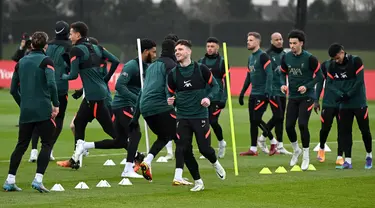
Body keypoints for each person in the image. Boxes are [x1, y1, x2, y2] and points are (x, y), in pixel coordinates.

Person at [73, 39, 157, 178]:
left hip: (130, 105)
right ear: (145, 51)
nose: (155, 55)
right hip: (123, 104)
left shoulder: (147, 67)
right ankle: (127, 169)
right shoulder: (132, 66)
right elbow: (119, 86)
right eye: (153, 52)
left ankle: (85, 145)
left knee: (120, 141)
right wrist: (137, 99)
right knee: (135, 134)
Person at [56, 21, 120, 169]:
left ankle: (136, 155)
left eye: (71, 33)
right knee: (78, 123)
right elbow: (115, 61)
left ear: (78, 34)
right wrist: (106, 78)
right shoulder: (96, 47)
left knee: (111, 130)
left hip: (95, 97)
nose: (69, 35)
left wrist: (61, 76)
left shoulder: (76, 50)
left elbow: (72, 75)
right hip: (94, 94)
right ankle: (75, 160)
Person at [167, 39, 226, 192]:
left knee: (205, 150)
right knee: (185, 150)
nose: (177, 52)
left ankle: (215, 162)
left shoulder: (202, 69)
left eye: (180, 49)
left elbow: (216, 86)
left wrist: (208, 98)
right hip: (182, 117)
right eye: (176, 50)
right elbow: (169, 92)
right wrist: (170, 99)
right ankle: (198, 181)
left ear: (188, 51)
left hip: (200, 116)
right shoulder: (173, 74)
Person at [4, 31, 59, 193]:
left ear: (31, 45)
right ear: (45, 46)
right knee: (47, 143)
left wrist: (24, 105)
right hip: (43, 110)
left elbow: (13, 90)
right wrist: (55, 104)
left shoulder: (20, 62)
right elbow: (52, 84)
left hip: (26, 111)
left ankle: (10, 180)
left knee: (21, 145)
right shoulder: (46, 61)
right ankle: (38, 180)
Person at [131, 39, 180, 182]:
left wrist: (135, 118)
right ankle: (180, 175)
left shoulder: (151, 66)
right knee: (181, 136)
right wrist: (173, 101)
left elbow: (142, 91)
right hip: (161, 107)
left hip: (145, 108)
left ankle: (147, 161)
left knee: (164, 137)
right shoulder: (171, 65)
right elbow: (169, 87)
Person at [28, 20, 72, 163]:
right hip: (61, 87)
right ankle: (49, 149)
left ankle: (34, 151)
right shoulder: (70, 46)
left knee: (39, 118)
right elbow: (70, 66)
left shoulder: (48, 44)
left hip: (44, 85)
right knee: (58, 119)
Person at [280, 29, 323, 171]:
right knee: (288, 126)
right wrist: (283, 85)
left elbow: (320, 76)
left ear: (301, 43)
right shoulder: (286, 57)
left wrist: (307, 86)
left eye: (294, 43)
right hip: (293, 96)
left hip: (307, 96)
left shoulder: (310, 58)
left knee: (303, 124)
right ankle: (296, 149)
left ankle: (306, 156)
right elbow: (282, 73)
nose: (292, 45)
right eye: (290, 43)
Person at [326, 43, 372, 169]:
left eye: (337, 57)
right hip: (344, 104)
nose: (336, 60)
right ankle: (348, 160)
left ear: (342, 52)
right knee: (345, 132)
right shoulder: (332, 65)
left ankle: (369, 155)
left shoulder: (356, 61)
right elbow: (330, 84)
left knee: (365, 130)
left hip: (359, 103)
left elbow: (359, 81)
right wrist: (340, 94)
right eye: (334, 59)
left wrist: (348, 94)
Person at [239, 32, 275, 156]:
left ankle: (273, 141)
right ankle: (253, 149)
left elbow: (270, 74)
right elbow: (248, 77)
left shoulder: (263, 56)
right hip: (253, 94)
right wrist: (242, 92)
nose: (248, 42)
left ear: (257, 42)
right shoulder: (250, 58)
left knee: (256, 119)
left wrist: (267, 92)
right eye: (247, 40)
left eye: (251, 40)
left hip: (262, 94)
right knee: (252, 121)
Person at [257, 32, 292, 155]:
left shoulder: (285, 55)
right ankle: (262, 138)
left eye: (281, 39)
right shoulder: (267, 55)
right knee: (278, 116)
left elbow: (286, 72)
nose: (279, 41)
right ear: (271, 41)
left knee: (281, 118)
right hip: (272, 90)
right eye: (276, 39)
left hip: (282, 90)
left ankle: (280, 145)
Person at [197, 37, 228, 159]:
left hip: (217, 97)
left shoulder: (222, 62)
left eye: (212, 46)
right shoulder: (201, 61)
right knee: (204, 123)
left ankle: (221, 143)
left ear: (217, 47)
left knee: (212, 121)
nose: (210, 49)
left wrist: (224, 99)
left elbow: (227, 81)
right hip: (205, 97)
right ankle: (207, 149)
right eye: (208, 46)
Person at [314, 59, 344, 165]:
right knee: (325, 128)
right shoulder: (325, 65)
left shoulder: (347, 66)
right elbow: (320, 82)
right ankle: (321, 148)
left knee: (342, 130)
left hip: (342, 103)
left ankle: (340, 156)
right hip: (328, 102)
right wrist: (316, 100)